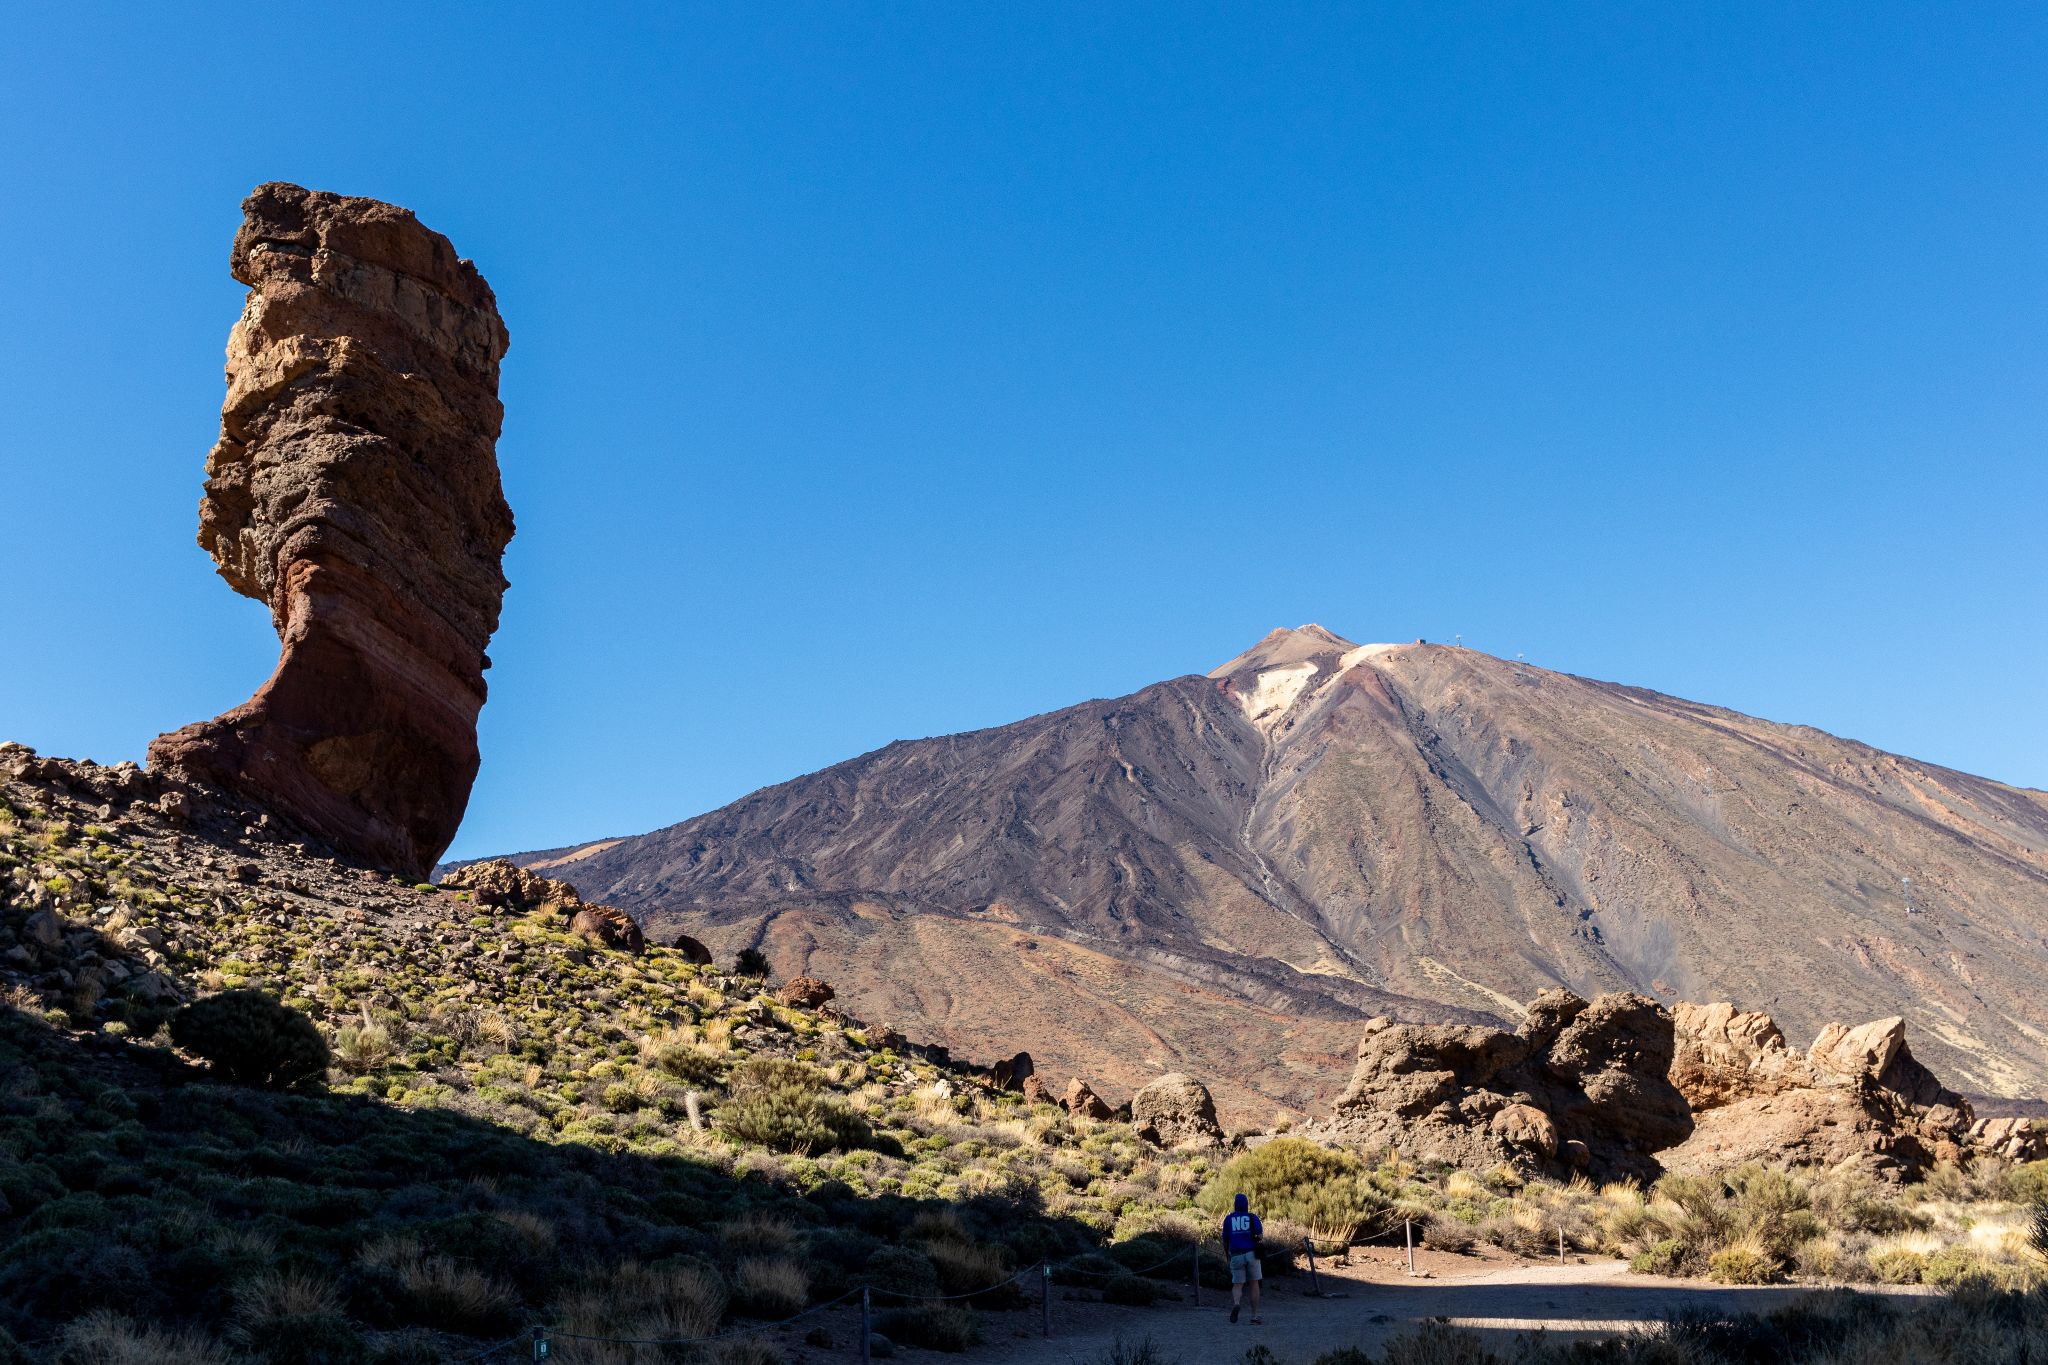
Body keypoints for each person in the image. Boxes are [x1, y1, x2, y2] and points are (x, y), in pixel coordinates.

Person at [1222, 1192, 1263, 1324]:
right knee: (1254, 1283)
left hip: (1236, 1255)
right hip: (1252, 1254)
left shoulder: (1229, 1219)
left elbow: (1225, 1240)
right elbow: (1260, 1235)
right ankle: (1255, 1316)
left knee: (1237, 1284)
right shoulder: (1252, 1217)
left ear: (1235, 1204)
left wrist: (1226, 1254)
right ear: (1246, 1204)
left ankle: (1236, 1303)